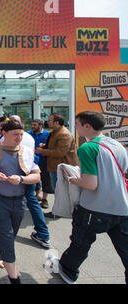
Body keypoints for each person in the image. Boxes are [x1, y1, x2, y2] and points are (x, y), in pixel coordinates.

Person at [56, 111, 128, 284]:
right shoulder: (117, 145)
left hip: (94, 208)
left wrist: (71, 178)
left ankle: (68, 271)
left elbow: (90, 184)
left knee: (80, 244)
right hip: (122, 207)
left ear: (87, 125)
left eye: (77, 124)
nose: (75, 127)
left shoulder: (87, 148)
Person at [0, 119, 40, 284]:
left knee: (11, 232)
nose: (19, 137)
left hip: (19, 200)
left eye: (21, 134)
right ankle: (14, 278)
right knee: (7, 236)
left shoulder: (26, 151)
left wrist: (21, 179)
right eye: (15, 134)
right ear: (4, 133)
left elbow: (37, 175)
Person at [0, 115, 51, 250]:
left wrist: (21, 178)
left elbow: (30, 161)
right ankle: (42, 233)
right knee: (31, 203)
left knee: (27, 203)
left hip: (21, 179)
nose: (18, 137)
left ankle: (41, 233)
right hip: (22, 179)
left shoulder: (18, 139)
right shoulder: (29, 136)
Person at [35, 113, 79, 218]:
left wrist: (42, 151)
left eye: (50, 120)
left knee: (60, 191)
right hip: (55, 166)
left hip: (61, 167)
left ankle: (59, 211)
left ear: (57, 123)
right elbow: (55, 145)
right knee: (58, 190)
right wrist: (45, 146)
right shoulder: (55, 132)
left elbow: (60, 152)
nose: (48, 122)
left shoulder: (64, 134)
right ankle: (60, 210)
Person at [28, 119, 53, 209]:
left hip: (44, 161)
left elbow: (52, 146)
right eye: (32, 125)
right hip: (33, 162)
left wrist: (44, 147)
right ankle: (37, 195)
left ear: (40, 126)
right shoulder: (28, 134)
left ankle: (44, 199)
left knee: (46, 180)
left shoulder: (48, 134)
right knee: (35, 180)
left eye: (34, 125)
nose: (32, 127)